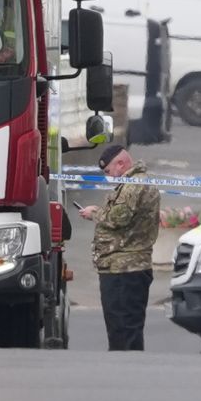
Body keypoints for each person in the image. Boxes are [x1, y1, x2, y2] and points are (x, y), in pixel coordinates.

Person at [77, 143, 160, 351]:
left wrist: (94, 213)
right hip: (123, 267)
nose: (109, 177)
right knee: (122, 328)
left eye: (108, 171)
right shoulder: (133, 183)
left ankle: (126, 373)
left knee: (123, 329)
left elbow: (119, 217)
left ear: (121, 164)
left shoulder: (133, 185)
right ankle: (125, 370)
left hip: (125, 269)